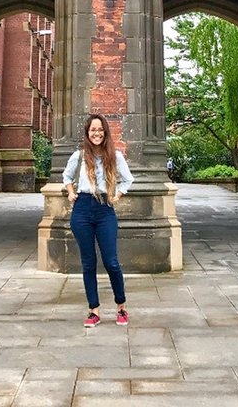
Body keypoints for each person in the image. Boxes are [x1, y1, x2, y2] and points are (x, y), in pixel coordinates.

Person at [63, 113, 134, 327]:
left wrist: (117, 195)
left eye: (100, 130)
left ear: (105, 133)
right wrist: (70, 192)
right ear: (87, 133)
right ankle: (93, 311)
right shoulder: (79, 156)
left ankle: (121, 307)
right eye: (93, 130)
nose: (96, 133)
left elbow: (128, 179)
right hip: (82, 209)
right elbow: (66, 177)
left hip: (105, 209)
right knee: (88, 263)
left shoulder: (115, 156)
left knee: (111, 261)